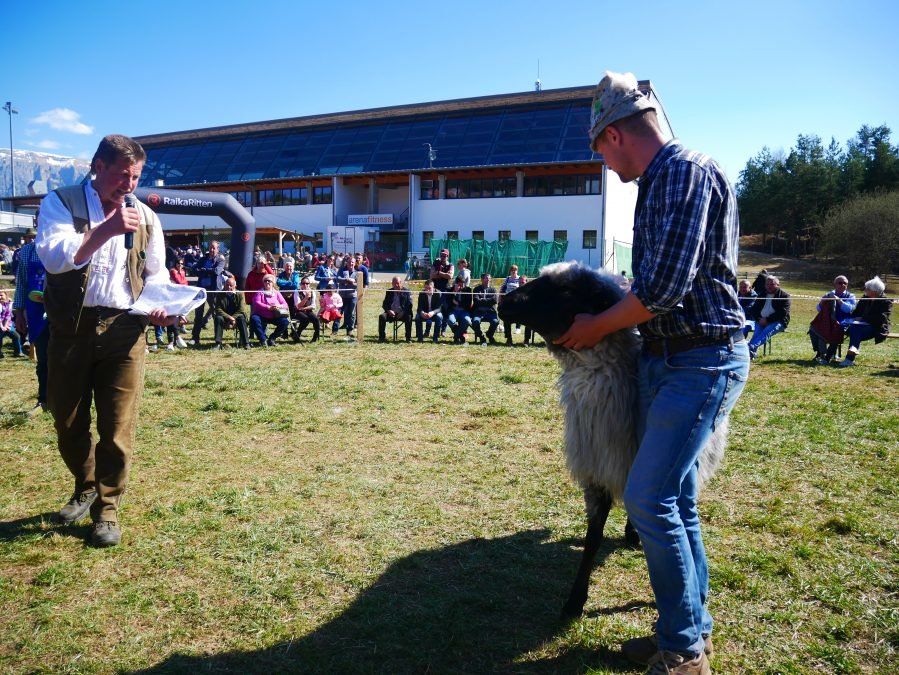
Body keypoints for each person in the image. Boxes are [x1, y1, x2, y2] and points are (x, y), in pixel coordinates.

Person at [553, 72, 748, 674]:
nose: (606, 168)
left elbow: (661, 289)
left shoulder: (682, 172)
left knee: (648, 496)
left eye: (600, 154)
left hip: (699, 359)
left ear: (614, 134)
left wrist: (596, 326)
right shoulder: (666, 179)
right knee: (678, 499)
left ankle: (685, 654)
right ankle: (688, 630)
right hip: (673, 357)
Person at [36, 134, 175, 548]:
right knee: (67, 421)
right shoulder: (62, 203)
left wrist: (162, 307)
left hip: (125, 330)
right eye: (121, 175)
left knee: (117, 428)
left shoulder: (146, 217)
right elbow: (55, 256)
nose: (129, 185)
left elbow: (157, 275)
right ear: (98, 166)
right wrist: (105, 230)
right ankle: (86, 483)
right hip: (71, 331)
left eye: (135, 177)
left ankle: (108, 510)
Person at [12, 221, 48, 414]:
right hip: (36, 312)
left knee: (68, 358)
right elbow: (22, 284)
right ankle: (44, 400)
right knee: (43, 358)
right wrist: (19, 312)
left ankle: (69, 400)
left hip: (65, 311)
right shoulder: (27, 251)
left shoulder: (68, 244)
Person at [835, 276, 893, 368]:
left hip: (876, 328)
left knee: (855, 331)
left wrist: (863, 319)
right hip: (858, 326)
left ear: (875, 291)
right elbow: (855, 312)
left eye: (867, 288)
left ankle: (849, 358)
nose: (865, 290)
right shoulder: (864, 298)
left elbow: (881, 318)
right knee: (854, 329)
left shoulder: (886, 302)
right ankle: (850, 355)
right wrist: (853, 318)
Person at [808, 275, 856, 364]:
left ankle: (828, 356)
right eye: (840, 283)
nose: (842, 285)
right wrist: (822, 301)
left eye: (845, 283)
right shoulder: (829, 294)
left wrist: (839, 300)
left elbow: (849, 309)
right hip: (828, 319)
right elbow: (819, 309)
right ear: (835, 284)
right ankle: (820, 353)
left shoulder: (851, 296)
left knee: (836, 329)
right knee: (814, 329)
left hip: (844, 321)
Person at [746, 275, 790, 359]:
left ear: (778, 285)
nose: (769, 286)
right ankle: (751, 353)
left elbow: (783, 313)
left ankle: (749, 348)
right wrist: (759, 319)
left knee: (765, 332)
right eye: (767, 284)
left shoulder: (784, 296)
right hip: (760, 320)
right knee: (757, 334)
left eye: (772, 284)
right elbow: (754, 309)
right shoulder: (762, 294)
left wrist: (768, 320)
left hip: (778, 321)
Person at [190, 241, 226, 346]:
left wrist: (203, 270)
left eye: (214, 248)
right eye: (210, 247)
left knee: (216, 315)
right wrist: (204, 270)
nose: (211, 250)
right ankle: (195, 338)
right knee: (198, 315)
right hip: (201, 290)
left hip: (213, 291)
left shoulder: (220, 260)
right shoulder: (203, 259)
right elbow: (194, 270)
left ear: (218, 249)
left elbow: (217, 271)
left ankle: (217, 340)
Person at [249, 274, 290, 347]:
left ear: (273, 283)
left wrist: (278, 306)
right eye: (265, 281)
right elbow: (256, 303)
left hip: (275, 315)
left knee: (285, 322)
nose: (267, 282)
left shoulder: (277, 293)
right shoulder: (259, 292)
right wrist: (268, 307)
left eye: (269, 281)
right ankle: (263, 340)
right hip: (262, 315)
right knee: (254, 319)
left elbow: (285, 304)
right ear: (263, 283)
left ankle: (272, 338)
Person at [213, 275, 250, 349]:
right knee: (218, 318)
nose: (229, 287)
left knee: (242, 318)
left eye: (231, 285)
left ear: (235, 286)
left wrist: (233, 318)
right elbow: (218, 309)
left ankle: (246, 343)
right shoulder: (220, 294)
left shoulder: (240, 294)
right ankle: (218, 343)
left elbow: (241, 309)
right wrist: (229, 318)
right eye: (227, 285)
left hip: (237, 316)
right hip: (225, 317)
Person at [378, 276, 413, 342]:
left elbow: (410, 305)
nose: (396, 285)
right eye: (394, 283)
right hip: (391, 314)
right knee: (382, 317)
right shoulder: (389, 291)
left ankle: (408, 338)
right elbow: (384, 304)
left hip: (402, 314)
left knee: (409, 316)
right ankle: (381, 337)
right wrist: (388, 311)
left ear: (401, 283)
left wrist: (403, 312)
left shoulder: (407, 292)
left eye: (397, 283)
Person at [470, 273, 499, 344]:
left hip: (490, 312)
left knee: (495, 322)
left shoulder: (493, 290)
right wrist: (489, 300)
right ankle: (481, 336)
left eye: (489, 278)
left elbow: (495, 300)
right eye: (486, 278)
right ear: (482, 279)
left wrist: (482, 300)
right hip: (478, 312)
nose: (488, 279)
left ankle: (489, 334)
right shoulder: (476, 289)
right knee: (475, 321)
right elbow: (476, 301)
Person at [445, 275, 474, 344]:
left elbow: (467, 304)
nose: (463, 285)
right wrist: (454, 293)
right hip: (453, 310)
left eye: (464, 283)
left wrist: (457, 302)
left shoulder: (468, 290)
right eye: (461, 283)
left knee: (467, 321)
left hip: (464, 311)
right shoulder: (450, 290)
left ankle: (456, 336)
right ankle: (460, 336)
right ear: (457, 283)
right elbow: (448, 302)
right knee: (450, 321)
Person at [500, 265, 524, 345]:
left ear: (517, 270)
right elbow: (502, 288)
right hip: (508, 301)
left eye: (515, 270)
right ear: (510, 271)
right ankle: (508, 337)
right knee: (506, 316)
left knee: (519, 314)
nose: (513, 271)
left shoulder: (520, 278)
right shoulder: (507, 278)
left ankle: (518, 328)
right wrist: (501, 298)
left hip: (517, 301)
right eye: (512, 270)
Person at [292, 276, 320, 342]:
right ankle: (297, 334)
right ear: (300, 284)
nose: (305, 285)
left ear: (309, 284)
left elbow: (313, 306)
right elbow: (298, 306)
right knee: (305, 319)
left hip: (308, 310)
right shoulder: (297, 291)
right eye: (303, 283)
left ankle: (315, 337)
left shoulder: (312, 292)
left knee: (316, 319)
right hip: (298, 312)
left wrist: (304, 308)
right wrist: (306, 298)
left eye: (307, 283)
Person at [336, 255, 359, 336]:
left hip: (352, 296)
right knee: (338, 313)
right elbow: (337, 278)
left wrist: (352, 282)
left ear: (355, 263)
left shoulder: (357, 273)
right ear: (347, 262)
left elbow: (358, 285)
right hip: (342, 296)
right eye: (349, 262)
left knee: (351, 314)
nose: (351, 263)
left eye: (352, 262)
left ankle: (349, 331)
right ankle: (335, 330)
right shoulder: (341, 270)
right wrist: (346, 279)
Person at [0, 291, 24, 357]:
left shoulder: (9, 304)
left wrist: (6, 326)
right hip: (0, 325)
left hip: (7, 325)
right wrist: (2, 327)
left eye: (1, 295)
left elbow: (8, 316)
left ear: (6, 296)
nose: (0, 297)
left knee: (16, 336)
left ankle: (18, 352)